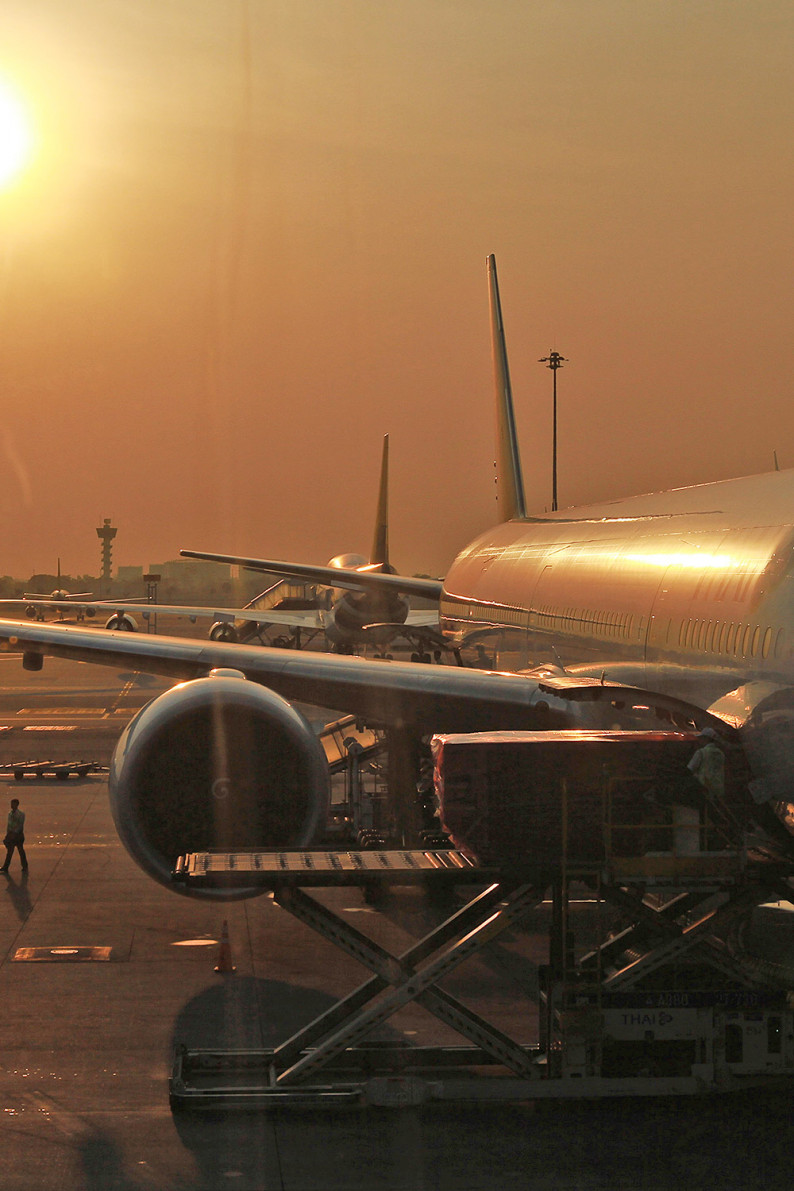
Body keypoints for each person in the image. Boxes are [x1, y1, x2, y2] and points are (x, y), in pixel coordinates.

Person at [1, 798, 27, 873]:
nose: (12, 805)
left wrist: (14, 833)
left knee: (20, 851)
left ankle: (24, 866)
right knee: (11, 852)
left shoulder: (21, 814)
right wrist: (8, 834)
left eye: (13, 804)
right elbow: (9, 825)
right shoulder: (10, 814)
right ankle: (6, 867)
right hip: (12, 835)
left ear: (17, 805)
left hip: (18, 835)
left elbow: (20, 825)